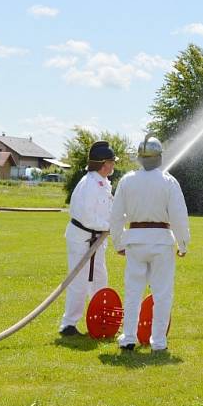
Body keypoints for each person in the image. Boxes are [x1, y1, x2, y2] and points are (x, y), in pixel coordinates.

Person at [110, 133, 190, 353]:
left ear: (139, 158)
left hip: (135, 241)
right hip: (162, 243)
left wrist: (118, 243)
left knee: (133, 291)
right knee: (162, 293)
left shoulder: (127, 181)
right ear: (160, 158)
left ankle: (128, 338)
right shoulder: (169, 181)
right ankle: (159, 342)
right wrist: (183, 244)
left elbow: (115, 216)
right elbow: (179, 217)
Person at [59, 141, 116, 337]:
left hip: (97, 240)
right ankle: (68, 324)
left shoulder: (104, 183)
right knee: (79, 282)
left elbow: (108, 211)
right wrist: (108, 227)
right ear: (103, 163)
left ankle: (100, 319)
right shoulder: (89, 184)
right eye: (111, 162)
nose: (113, 165)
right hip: (81, 238)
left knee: (100, 279)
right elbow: (86, 216)